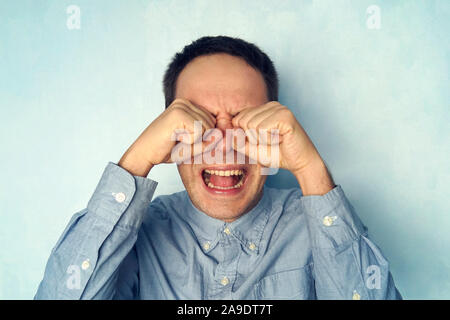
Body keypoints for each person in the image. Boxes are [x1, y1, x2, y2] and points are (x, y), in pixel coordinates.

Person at [35, 36, 401, 299]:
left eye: (245, 121)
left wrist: (310, 168)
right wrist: (136, 160)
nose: (224, 147)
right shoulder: (133, 235)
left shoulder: (317, 226)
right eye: (200, 122)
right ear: (168, 133)